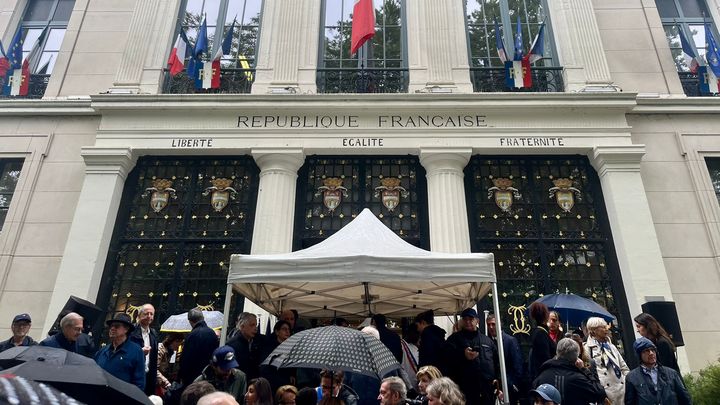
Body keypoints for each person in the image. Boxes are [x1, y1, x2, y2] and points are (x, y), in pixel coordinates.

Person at [444, 308, 501, 405]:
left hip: (486, 391)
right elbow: (446, 359)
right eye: (465, 319)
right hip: (463, 390)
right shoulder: (454, 340)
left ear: (477, 321)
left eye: (471, 319)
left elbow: (497, 363)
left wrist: (498, 383)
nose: (468, 321)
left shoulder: (487, 341)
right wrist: (462, 355)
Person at [533, 338, 607, 405]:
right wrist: (584, 370)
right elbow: (600, 394)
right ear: (576, 358)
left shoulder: (542, 374)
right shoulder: (578, 379)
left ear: (557, 352)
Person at [624, 337, 691, 405]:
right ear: (639, 355)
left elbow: (685, 399)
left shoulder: (671, 374)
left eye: (653, 350)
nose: (651, 353)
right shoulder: (632, 378)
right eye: (646, 351)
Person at [583, 317, 629, 405]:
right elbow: (587, 372)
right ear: (593, 330)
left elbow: (623, 367)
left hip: (622, 390)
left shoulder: (611, 346)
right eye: (603, 327)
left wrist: (628, 383)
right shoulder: (587, 349)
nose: (606, 329)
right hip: (605, 393)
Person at [95, 312, 146, 391]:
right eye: (111, 326)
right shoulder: (103, 351)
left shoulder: (136, 351)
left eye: (116, 326)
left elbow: (139, 383)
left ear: (126, 329)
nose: (112, 328)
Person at [485, 314, 524, 404]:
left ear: (499, 324)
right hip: (493, 387)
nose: (491, 327)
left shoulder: (510, 341)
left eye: (493, 324)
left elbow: (517, 365)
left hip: (509, 387)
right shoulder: (486, 342)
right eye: (488, 324)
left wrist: (512, 385)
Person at [180, 308, 220, 385]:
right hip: (208, 375)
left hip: (193, 377)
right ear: (203, 318)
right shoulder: (212, 333)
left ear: (190, 321)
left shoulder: (192, 335)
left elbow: (185, 359)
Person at [129, 303, 159, 395]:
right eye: (146, 313)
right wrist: (140, 352)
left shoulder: (153, 334)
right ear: (139, 315)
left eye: (151, 314)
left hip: (148, 376)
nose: (149, 316)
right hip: (133, 375)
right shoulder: (131, 331)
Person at [227, 312, 264, 381]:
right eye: (252, 325)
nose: (255, 328)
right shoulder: (232, 344)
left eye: (256, 325)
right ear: (242, 326)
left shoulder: (255, 343)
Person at [260, 320, 293, 390]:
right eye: (284, 329)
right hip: (272, 384)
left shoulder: (290, 348)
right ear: (277, 332)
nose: (287, 332)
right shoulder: (270, 348)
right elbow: (265, 367)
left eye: (288, 329)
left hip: (286, 384)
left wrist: (292, 374)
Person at [528, 302, 556, 381]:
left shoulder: (540, 331)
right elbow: (545, 358)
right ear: (545, 315)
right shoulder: (540, 333)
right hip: (544, 377)